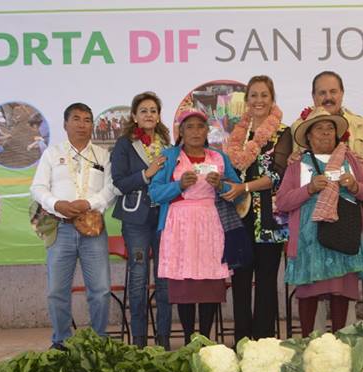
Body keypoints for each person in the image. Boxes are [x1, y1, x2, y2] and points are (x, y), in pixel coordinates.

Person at [276, 107, 363, 337]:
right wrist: (309, 189)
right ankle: (309, 344)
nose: (325, 133)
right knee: (309, 294)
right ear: (308, 136)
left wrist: (355, 186)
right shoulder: (298, 165)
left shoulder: (350, 160)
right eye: (319, 129)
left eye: (330, 128)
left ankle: (340, 346)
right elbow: (282, 201)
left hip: (344, 235)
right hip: (309, 242)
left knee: (341, 292)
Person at [150, 110, 247, 345]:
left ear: (207, 131)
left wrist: (221, 186)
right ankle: (188, 339)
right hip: (179, 226)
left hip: (211, 225)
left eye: (200, 126)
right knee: (185, 285)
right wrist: (178, 186)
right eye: (190, 127)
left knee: (209, 283)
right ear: (181, 132)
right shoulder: (169, 157)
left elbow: (238, 191)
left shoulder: (219, 158)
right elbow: (154, 193)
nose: (195, 131)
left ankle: (205, 339)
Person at [31, 102, 117, 347]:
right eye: (76, 119)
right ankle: (61, 342)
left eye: (87, 120)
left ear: (93, 125)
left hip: (93, 229)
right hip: (61, 228)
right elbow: (38, 188)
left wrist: (88, 203)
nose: (82, 124)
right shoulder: (52, 154)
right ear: (65, 124)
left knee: (100, 290)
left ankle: (98, 341)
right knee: (56, 291)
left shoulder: (103, 155)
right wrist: (56, 204)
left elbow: (111, 189)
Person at [223, 75, 292, 342]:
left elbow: (278, 175)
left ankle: (264, 343)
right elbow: (229, 171)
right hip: (239, 216)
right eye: (254, 95)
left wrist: (245, 187)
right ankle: (241, 342)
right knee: (240, 281)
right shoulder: (237, 135)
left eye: (264, 95)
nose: (259, 100)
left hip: (270, 218)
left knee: (266, 281)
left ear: (272, 99)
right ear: (247, 100)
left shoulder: (282, 133)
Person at [111, 92, 172, 349]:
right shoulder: (124, 144)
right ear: (134, 116)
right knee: (138, 277)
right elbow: (118, 183)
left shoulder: (167, 144)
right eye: (144, 110)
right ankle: (138, 341)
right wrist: (147, 174)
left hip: (163, 218)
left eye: (153, 110)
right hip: (136, 220)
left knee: (164, 279)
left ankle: (163, 339)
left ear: (158, 116)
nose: (149, 114)